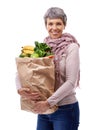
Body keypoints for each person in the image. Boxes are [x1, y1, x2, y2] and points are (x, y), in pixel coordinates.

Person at [17, 7, 80, 130]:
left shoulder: (71, 47)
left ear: (64, 25)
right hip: (44, 111)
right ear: (46, 25)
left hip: (65, 110)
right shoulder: (43, 47)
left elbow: (71, 82)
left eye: (58, 23)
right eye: (50, 23)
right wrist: (19, 89)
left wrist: (47, 103)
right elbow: (23, 69)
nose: (54, 28)